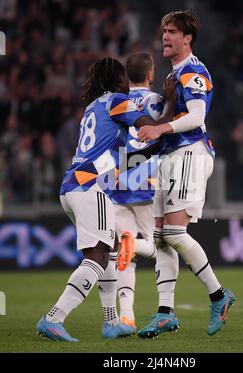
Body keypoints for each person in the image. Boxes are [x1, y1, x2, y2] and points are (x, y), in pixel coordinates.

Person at [36, 57, 175, 342]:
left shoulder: (93, 108)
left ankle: (112, 322)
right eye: (123, 77)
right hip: (90, 187)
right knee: (97, 258)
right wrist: (171, 104)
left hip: (73, 185)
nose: (127, 82)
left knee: (110, 248)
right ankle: (54, 317)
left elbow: (126, 161)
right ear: (116, 80)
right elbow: (151, 126)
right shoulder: (117, 102)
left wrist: (153, 153)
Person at [137, 10, 236, 338]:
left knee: (174, 235)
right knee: (161, 237)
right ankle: (165, 312)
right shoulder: (172, 74)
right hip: (170, 155)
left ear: (188, 38)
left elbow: (196, 115)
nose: (165, 36)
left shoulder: (193, 71)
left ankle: (219, 295)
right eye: (164, 30)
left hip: (190, 153)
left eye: (172, 31)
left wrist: (161, 127)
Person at [110, 53, 160, 330]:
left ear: (127, 76)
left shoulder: (117, 103)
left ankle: (126, 316)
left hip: (117, 182)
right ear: (151, 74)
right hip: (146, 184)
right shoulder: (157, 103)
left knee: (124, 257)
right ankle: (167, 310)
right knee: (163, 246)